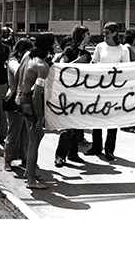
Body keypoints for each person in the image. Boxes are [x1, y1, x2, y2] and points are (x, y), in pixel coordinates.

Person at [14, 32, 56, 189]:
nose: (56, 45)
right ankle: (31, 179)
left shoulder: (29, 57)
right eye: (54, 42)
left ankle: (29, 172)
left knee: (37, 137)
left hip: (22, 98)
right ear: (49, 45)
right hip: (30, 102)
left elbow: (18, 75)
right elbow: (37, 95)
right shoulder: (42, 67)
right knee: (34, 139)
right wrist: (39, 118)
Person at [85, 22, 130, 161]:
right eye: (104, 33)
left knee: (112, 120)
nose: (104, 36)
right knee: (97, 116)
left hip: (114, 90)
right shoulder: (100, 47)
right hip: (99, 87)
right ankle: (96, 146)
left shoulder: (123, 50)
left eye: (107, 33)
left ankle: (109, 149)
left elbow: (126, 69)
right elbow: (93, 64)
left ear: (115, 33)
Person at [54, 25, 92, 167]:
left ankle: (73, 153)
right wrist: (78, 62)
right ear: (82, 35)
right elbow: (63, 67)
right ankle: (60, 155)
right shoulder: (69, 50)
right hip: (68, 92)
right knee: (66, 126)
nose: (90, 36)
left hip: (81, 91)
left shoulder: (88, 54)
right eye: (87, 34)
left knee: (77, 124)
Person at [3, 37, 33, 172]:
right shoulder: (13, 61)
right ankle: (8, 160)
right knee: (14, 131)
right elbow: (17, 73)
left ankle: (24, 158)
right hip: (14, 97)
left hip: (25, 97)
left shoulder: (26, 61)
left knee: (26, 132)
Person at [121, 26, 135, 132]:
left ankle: (132, 122)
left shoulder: (133, 46)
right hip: (130, 78)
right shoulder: (127, 47)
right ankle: (125, 123)